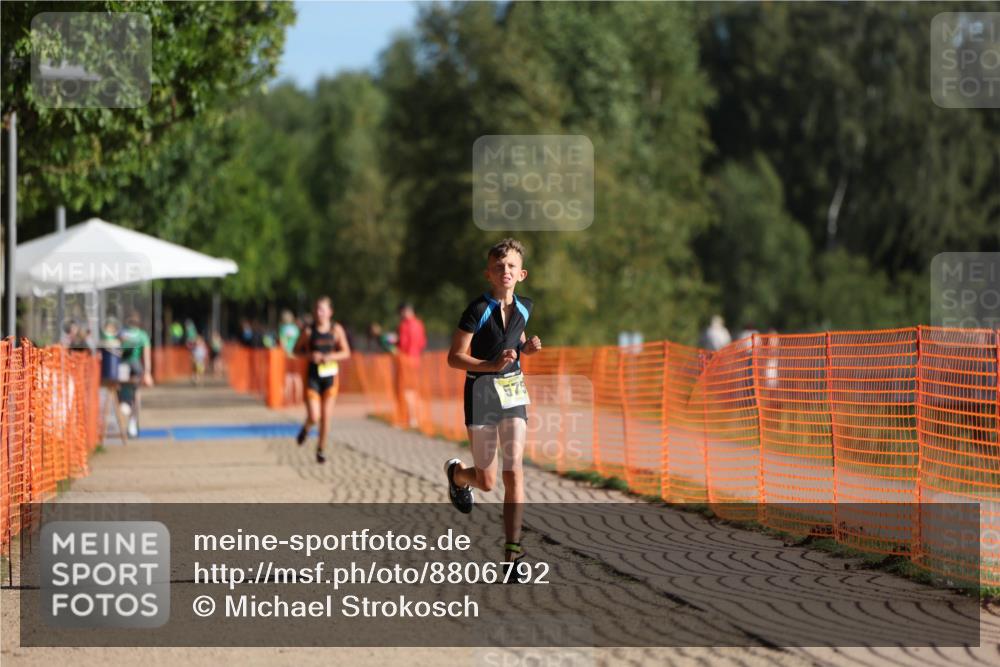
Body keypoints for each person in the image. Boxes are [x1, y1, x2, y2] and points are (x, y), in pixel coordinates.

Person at [444, 238, 542, 577]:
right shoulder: (476, 310)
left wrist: (526, 348)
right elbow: (454, 357)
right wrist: (491, 365)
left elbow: (513, 340)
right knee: (486, 481)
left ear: (522, 274)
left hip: (513, 391)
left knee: (513, 469)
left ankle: (512, 555)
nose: (506, 272)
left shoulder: (525, 306)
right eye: (499, 267)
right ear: (488, 273)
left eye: (512, 267)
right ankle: (458, 476)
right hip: (481, 391)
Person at [293, 297, 351, 464]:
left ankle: (321, 449)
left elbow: (346, 352)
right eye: (317, 309)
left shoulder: (336, 330)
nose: (319, 313)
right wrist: (310, 356)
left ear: (330, 312)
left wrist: (331, 356)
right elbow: (295, 351)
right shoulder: (308, 331)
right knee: (314, 415)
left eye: (323, 309)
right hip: (312, 377)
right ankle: (306, 428)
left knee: (326, 417)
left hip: (330, 378)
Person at [118, 312, 154, 437]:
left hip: (121, 367)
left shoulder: (121, 333)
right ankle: (132, 422)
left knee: (121, 391)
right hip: (135, 366)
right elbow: (146, 355)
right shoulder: (142, 335)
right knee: (136, 394)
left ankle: (125, 408)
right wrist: (147, 373)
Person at [396, 302, 427, 429]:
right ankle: (417, 418)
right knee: (414, 390)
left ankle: (411, 419)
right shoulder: (419, 323)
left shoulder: (404, 325)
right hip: (416, 359)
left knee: (406, 390)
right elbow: (422, 342)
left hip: (405, 360)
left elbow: (403, 343)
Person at [280, 310, 303, 404]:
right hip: (296, 355)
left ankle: (288, 399)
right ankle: (298, 399)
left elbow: (282, 343)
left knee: (287, 378)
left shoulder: (283, 329)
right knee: (297, 377)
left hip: (286, 355)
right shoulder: (296, 329)